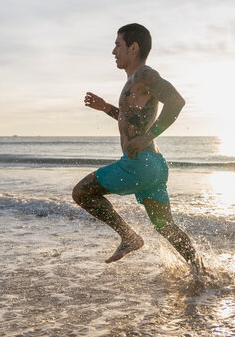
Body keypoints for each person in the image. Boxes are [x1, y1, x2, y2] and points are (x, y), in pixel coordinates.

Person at [72, 23, 203, 272]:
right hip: (153, 165)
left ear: (133, 48)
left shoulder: (144, 74)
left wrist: (148, 136)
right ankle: (203, 274)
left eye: (118, 45)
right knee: (166, 226)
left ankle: (129, 237)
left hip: (138, 164)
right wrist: (106, 108)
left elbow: (176, 101)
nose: (113, 51)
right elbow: (133, 120)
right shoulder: (135, 80)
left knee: (81, 193)